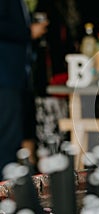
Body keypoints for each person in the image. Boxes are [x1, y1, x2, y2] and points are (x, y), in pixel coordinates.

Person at [0, 0, 48, 180]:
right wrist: (28, 32)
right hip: (5, 76)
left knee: (11, 138)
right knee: (7, 139)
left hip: (14, 75)